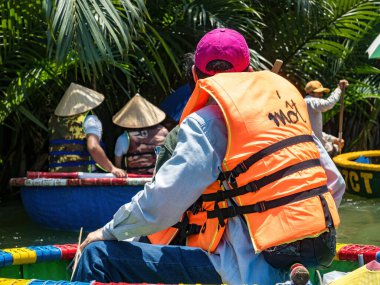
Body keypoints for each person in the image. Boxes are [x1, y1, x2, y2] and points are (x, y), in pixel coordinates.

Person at [72, 28, 345, 285]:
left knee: (96, 255)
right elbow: (335, 183)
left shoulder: (205, 123)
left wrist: (107, 231)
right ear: (249, 71)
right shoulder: (288, 113)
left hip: (235, 271)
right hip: (308, 257)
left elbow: (163, 202)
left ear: (195, 75)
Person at [49, 83, 126, 177]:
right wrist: (112, 168)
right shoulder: (89, 119)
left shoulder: (55, 122)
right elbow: (93, 147)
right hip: (84, 177)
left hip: (57, 177)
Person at [112, 94, 169, 175]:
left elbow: (118, 166)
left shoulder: (124, 138)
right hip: (160, 177)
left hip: (135, 179)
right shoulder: (164, 132)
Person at [304, 80, 349, 156]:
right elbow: (328, 104)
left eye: (322, 93)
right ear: (311, 93)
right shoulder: (311, 101)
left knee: (334, 147)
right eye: (319, 92)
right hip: (313, 148)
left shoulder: (306, 103)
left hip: (310, 144)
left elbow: (315, 131)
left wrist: (333, 139)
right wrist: (339, 88)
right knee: (335, 149)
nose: (321, 95)